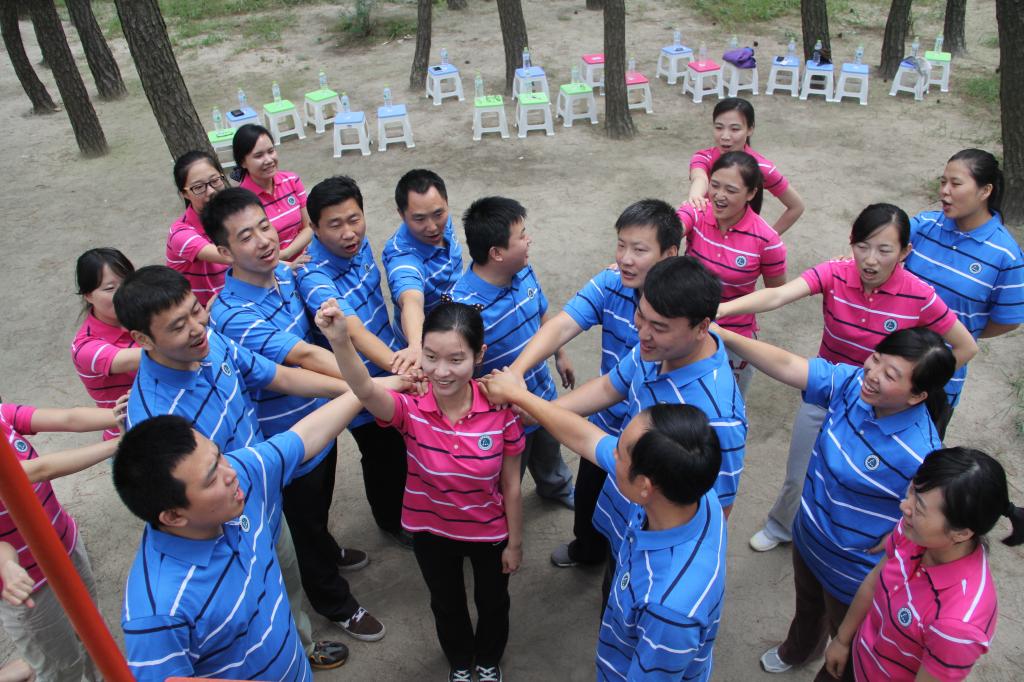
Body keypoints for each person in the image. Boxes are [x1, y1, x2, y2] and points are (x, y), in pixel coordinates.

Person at [112, 265, 358, 667]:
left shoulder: (210, 344)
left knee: (281, 584)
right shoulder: (157, 420)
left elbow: (279, 376)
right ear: (142, 339)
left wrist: (358, 388)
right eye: (178, 326)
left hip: (260, 504)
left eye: (196, 310)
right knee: (244, 615)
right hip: (222, 530)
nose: (197, 328)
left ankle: (299, 647)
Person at [716, 203, 979, 552]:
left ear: (905, 252)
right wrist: (720, 309)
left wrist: (915, 384)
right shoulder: (836, 273)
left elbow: (965, 346)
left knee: (855, 481)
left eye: (884, 250)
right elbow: (778, 294)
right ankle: (782, 526)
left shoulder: (919, 295)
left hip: (882, 407)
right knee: (800, 470)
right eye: (862, 246)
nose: (870, 260)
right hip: (826, 389)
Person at [711, 325, 955, 679]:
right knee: (808, 605)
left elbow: (936, 520)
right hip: (809, 535)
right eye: (875, 358)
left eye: (890, 375)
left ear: (917, 395)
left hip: (853, 573)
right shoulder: (853, 386)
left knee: (847, 640)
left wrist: (901, 535)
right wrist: (725, 335)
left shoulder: (919, 452)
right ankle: (800, 650)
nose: (872, 374)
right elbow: (789, 365)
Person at [114, 384, 401, 681]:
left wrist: (371, 388)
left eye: (219, 456)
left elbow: (304, 436)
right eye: (211, 479)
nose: (230, 473)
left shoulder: (236, 483)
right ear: (173, 516)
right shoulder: (158, 614)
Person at [203, 187, 384, 644]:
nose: (264, 240)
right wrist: (370, 385)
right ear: (224, 252)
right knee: (300, 522)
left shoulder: (285, 274)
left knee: (316, 506)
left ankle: (327, 548)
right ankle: (335, 602)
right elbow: (302, 356)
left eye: (265, 227)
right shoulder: (232, 313)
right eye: (246, 237)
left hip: (320, 419)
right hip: (285, 438)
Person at [318, 299, 523, 682]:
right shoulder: (410, 409)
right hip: (431, 534)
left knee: (493, 602)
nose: (441, 371)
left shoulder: (501, 411)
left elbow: (511, 484)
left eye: (456, 359)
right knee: (446, 604)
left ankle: (488, 660)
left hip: (489, 533)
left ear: (479, 355)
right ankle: (460, 662)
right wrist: (341, 341)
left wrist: (515, 543)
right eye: (430, 357)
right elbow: (364, 390)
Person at [479, 370, 727, 682]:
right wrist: (518, 395)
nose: (611, 453)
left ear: (645, 487)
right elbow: (586, 437)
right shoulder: (694, 494)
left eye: (620, 453)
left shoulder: (669, 610)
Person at [509, 199, 682, 568]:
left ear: (669, 254)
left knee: (639, 518)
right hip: (602, 423)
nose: (625, 259)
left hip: (652, 440)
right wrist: (517, 371)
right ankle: (587, 550)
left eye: (639, 250)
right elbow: (562, 325)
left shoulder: (684, 309)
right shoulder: (611, 283)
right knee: (588, 500)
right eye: (621, 245)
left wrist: (541, 410)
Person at [549, 257, 744, 579]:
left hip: (652, 554)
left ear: (702, 327)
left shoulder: (719, 417)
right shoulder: (657, 349)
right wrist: (540, 410)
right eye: (641, 315)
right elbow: (610, 387)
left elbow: (718, 507)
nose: (643, 332)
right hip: (626, 508)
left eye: (660, 327)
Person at [823, 447, 1024, 681]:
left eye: (918, 508)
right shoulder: (914, 533)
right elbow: (874, 581)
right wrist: (842, 640)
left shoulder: (957, 625)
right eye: (911, 491)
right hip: (856, 657)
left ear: (961, 533)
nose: (904, 506)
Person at [294, 175, 409, 545]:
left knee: (403, 445)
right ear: (314, 228)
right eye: (335, 225)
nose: (349, 233)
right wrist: (404, 366)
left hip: (390, 363)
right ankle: (391, 521)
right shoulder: (313, 275)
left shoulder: (360, 246)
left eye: (354, 219)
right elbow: (354, 332)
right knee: (382, 454)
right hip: (361, 382)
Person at [451, 196, 574, 509]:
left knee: (549, 450)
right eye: (521, 236)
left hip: (542, 395)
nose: (529, 240)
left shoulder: (524, 271)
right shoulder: (463, 310)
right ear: (497, 253)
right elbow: (457, 375)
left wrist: (560, 353)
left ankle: (556, 487)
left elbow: (542, 313)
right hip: (502, 418)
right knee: (507, 478)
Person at [0, 397, 122, 682]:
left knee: (92, 629)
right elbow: (39, 470)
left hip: (65, 545)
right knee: (61, 667)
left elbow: (69, 418)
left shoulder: (2, 415)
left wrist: (121, 413)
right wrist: (118, 444)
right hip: (28, 584)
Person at [904, 149, 1024, 436]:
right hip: (889, 361)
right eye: (942, 182)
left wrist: (962, 330)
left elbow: (1007, 320)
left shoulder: (1006, 255)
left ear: (985, 191)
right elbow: (881, 240)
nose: (944, 191)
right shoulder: (924, 225)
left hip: (940, 382)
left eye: (955, 184)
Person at [676, 150, 787, 395]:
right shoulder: (697, 212)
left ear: (751, 193)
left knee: (725, 402)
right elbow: (667, 232)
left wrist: (723, 310)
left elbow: (776, 293)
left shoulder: (768, 241)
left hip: (734, 336)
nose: (719, 195)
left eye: (731, 190)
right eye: (715, 185)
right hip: (686, 325)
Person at [382, 169, 464, 374]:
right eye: (419, 219)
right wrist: (417, 345)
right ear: (401, 214)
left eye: (438, 214)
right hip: (431, 349)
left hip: (456, 324)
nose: (432, 227)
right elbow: (411, 299)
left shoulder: (444, 222)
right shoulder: (402, 256)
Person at [686, 98, 804, 234]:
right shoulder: (703, 157)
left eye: (734, 129)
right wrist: (696, 196)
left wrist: (767, 239)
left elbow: (796, 206)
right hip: (703, 236)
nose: (725, 136)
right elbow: (699, 177)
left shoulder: (761, 168)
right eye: (719, 127)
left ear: (750, 129)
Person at [71, 248, 140, 440]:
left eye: (127, 282)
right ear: (88, 295)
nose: (122, 294)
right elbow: (138, 358)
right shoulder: (85, 346)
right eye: (110, 289)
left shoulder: (140, 314)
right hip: (131, 436)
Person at [232, 124, 312, 264]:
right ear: (243, 162)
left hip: (305, 259)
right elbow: (250, 254)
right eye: (259, 156)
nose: (268, 160)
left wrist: (287, 253)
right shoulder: (240, 201)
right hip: (269, 268)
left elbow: (309, 227)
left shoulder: (292, 180)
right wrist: (287, 264)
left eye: (271, 151)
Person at [164, 150, 231, 305]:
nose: (211, 191)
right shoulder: (180, 234)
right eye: (199, 187)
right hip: (201, 313)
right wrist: (283, 259)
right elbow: (237, 257)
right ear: (184, 194)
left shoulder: (231, 215)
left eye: (215, 180)